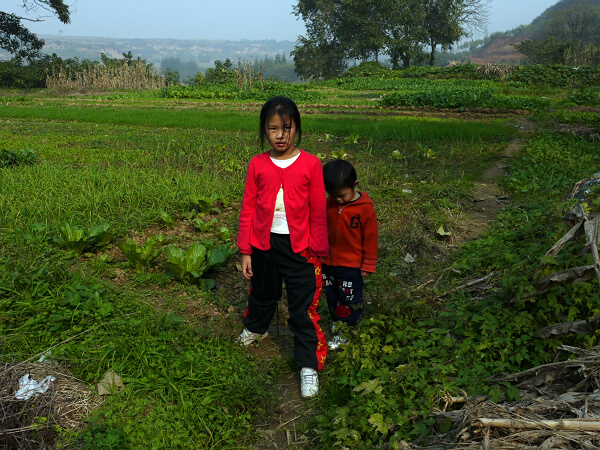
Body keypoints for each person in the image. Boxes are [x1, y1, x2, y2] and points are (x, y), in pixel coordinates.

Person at [236, 96, 328, 398]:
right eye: (273, 129)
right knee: (262, 295)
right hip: (264, 245)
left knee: (302, 308)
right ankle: (256, 328)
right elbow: (248, 206)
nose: (280, 135)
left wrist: (318, 249)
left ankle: (307, 366)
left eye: (287, 128)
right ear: (264, 130)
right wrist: (245, 249)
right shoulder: (258, 164)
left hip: (301, 248)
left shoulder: (311, 164)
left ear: (296, 128)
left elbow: (317, 209)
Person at [321, 159, 378, 350]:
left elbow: (370, 238)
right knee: (331, 295)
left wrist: (368, 263)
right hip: (327, 261)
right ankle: (336, 321)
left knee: (349, 297)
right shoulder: (328, 204)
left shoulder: (365, 209)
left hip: (351, 264)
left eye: (341, 195)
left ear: (355, 185)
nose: (337, 200)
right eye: (332, 195)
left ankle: (345, 328)